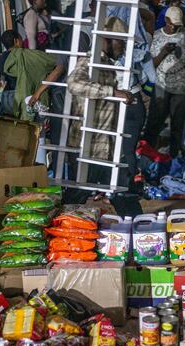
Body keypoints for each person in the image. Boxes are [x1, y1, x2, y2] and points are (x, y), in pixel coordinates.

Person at [66, 17, 142, 216]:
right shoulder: (91, 61)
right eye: (121, 42)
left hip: (104, 146)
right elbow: (74, 83)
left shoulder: (107, 65)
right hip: (88, 146)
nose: (124, 48)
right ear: (107, 40)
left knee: (121, 192)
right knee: (77, 194)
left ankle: (141, 229)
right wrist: (113, 92)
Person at [143, 6, 185, 157]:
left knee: (177, 126)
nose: (175, 27)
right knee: (154, 124)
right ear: (166, 20)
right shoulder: (156, 37)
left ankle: (173, 159)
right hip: (161, 84)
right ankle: (147, 158)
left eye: (178, 24)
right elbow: (151, 65)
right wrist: (163, 52)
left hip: (181, 86)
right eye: (172, 23)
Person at [0, 30, 22, 116]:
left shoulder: (0, 58)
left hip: (5, 96)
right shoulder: (21, 55)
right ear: (16, 41)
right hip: (19, 95)